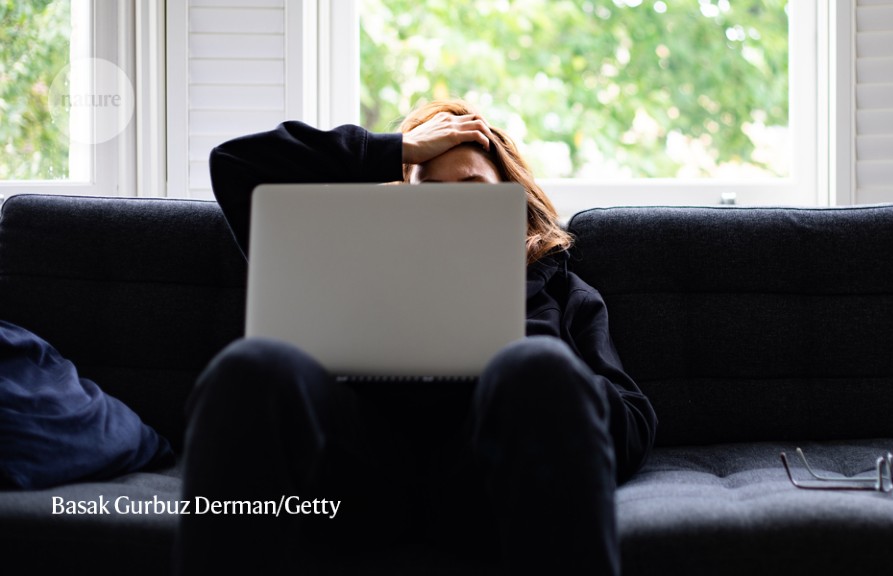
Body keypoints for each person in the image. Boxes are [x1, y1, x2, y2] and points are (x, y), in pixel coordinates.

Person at [175, 99, 657, 576]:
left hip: (483, 486)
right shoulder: (350, 260)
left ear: (512, 203)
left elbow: (633, 422)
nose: (452, 208)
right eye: (431, 191)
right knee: (252, 364)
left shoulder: (560, 288)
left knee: (538, 365)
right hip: (351, 482)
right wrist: (400, 149)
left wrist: (525, 354)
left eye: (472, 190)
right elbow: (236, 163)